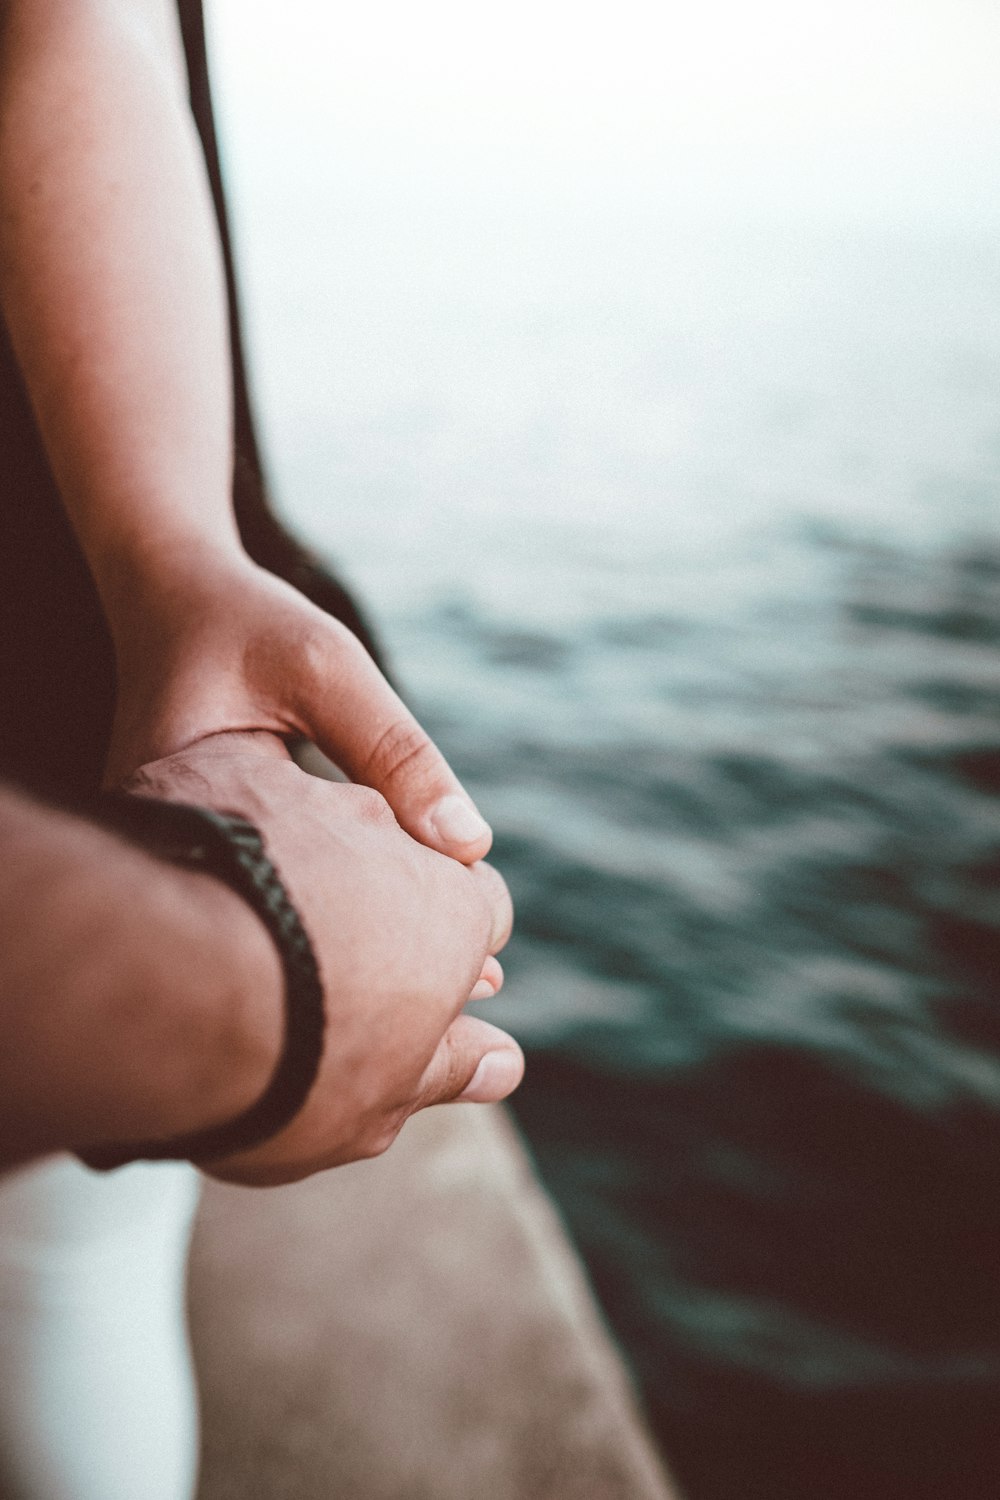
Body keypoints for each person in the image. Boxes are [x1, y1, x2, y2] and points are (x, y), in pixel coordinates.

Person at [0, 2, 521, 1495]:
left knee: (63, 1257)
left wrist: (169, 558)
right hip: (63, 591)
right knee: (66, 1273)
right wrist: (272, 998)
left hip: (63, 593)